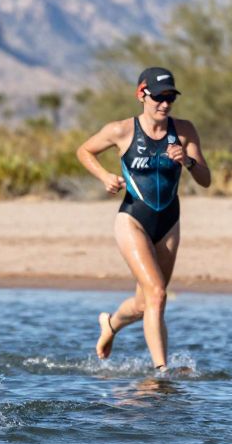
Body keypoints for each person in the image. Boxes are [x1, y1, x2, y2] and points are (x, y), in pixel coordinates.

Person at [76, 67, 212, 371]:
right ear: (141, 95)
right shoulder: (121, 130)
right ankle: (161, 371)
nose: (164, 104)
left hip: (169, 222)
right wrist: (104, 176)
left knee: (144, 303)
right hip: (133, 218)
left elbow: (206, 179)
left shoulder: (185, 130)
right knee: (158, 293)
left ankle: (110, 324)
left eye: (170, 98)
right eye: (158, 97)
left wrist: (188, 161)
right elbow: (85, 150)